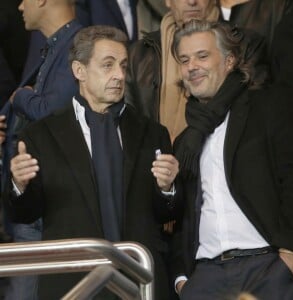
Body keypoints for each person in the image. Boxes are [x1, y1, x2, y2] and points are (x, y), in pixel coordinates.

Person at [5, 25, 179, 300]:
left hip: (141, 283)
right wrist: (19, 185)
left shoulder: (152, 133)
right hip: (75, 286)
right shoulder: (41, 136)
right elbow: (24, 214)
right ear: (79, 71)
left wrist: (167, 188)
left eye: (123, 66)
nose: (119, 75)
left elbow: (166, 214)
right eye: (107, 65)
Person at [171, 20, 293, 300]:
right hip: (205, 276)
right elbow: (182, 218)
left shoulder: (268, 106)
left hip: (267, 267)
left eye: (202, 56)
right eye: (184, 59)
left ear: (229, 61)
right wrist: (182, 278)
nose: (192, 66)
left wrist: (291, 254)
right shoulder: (184, 143)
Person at [0, 0, 82, 299]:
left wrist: (20, 97)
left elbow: (51, 111)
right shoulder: (52, 48)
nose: (20, 6)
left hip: (52, 206)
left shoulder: (77, 45)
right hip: (30, 204)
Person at [126, 0, 266, 143]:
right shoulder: (138, 55)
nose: (192, 2)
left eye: (203, 56)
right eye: (184, 60)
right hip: (157, 159)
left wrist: (191, 138)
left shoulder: (244, 45)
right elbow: (129, 125)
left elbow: (256, 113)